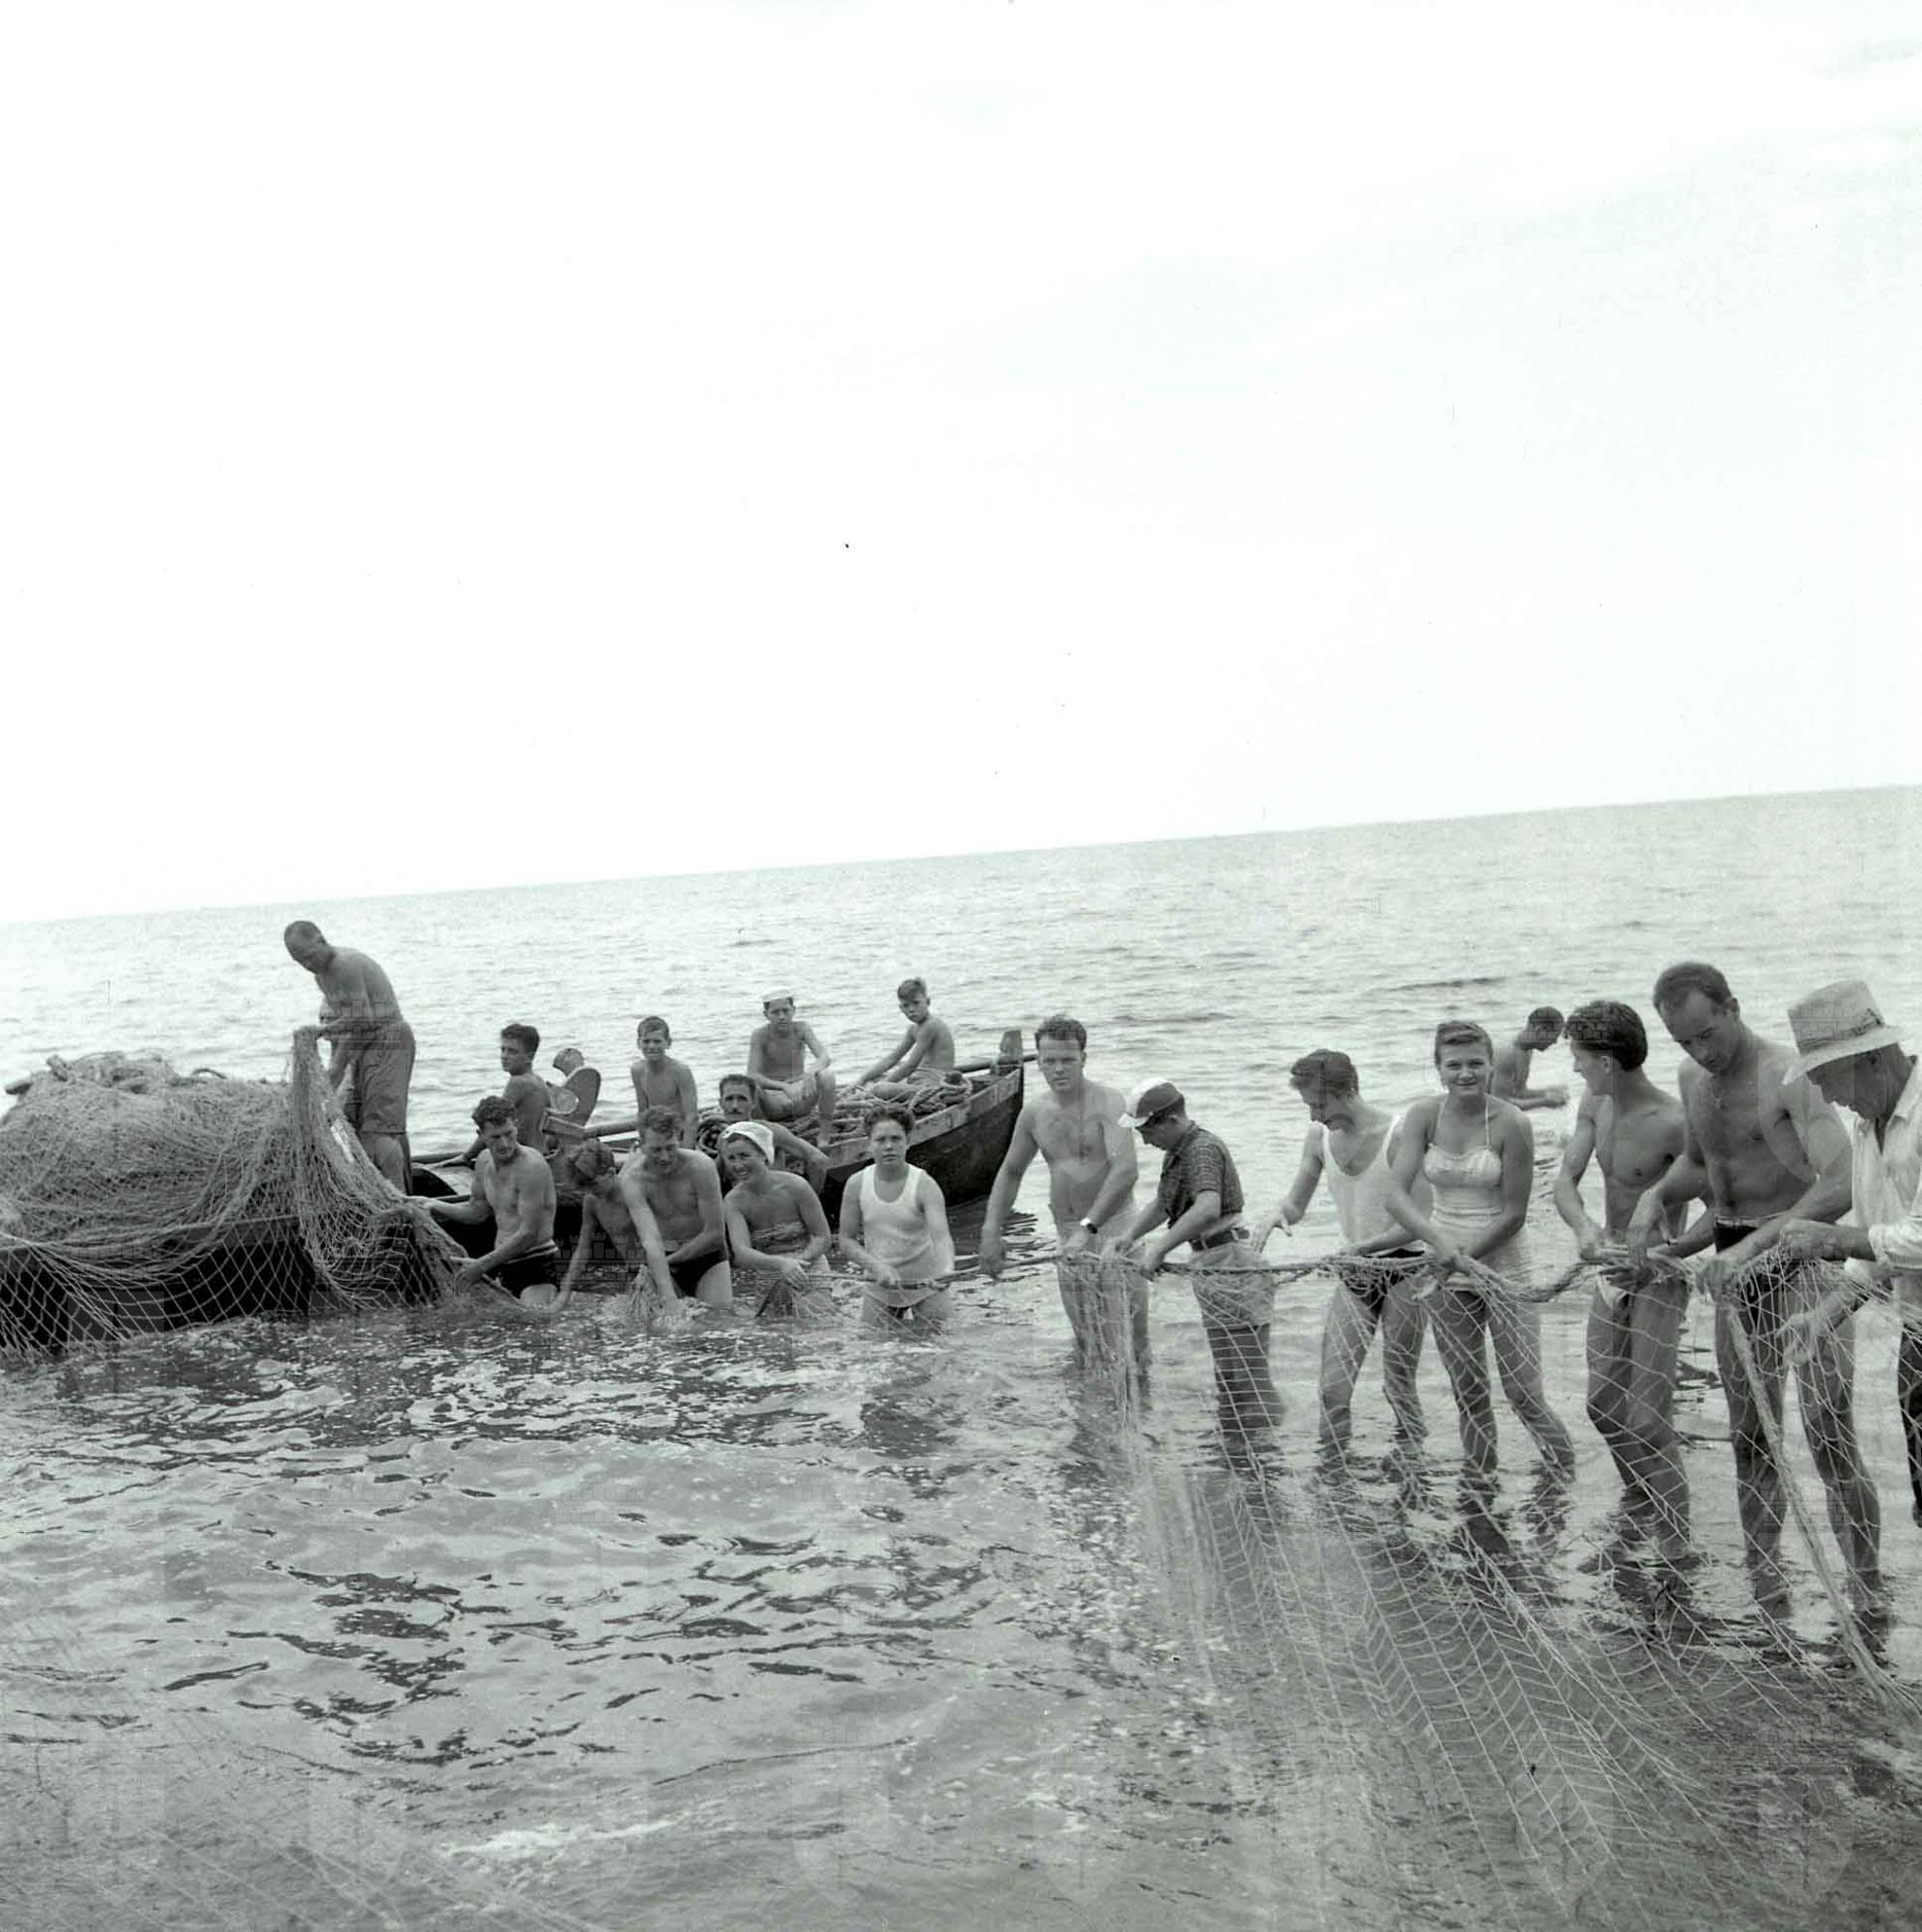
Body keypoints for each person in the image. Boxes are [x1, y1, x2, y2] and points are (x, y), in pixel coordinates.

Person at [1625, 960, 1875, 1614]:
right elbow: (1702, 1166)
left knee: (1828, 1431)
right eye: (1684, 1041)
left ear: (1732, 1007)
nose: (1700, 1052)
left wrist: (1759, 1246)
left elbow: (1843, 1182)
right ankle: (1767, 1582)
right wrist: (1656, 1198)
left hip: (1802, 1257)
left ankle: (1867, 1589)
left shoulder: (1788, 1075)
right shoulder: (1692, 1079)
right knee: (1751, 1436)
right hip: (1735, 1266)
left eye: (1707, 1034)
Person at [1383, 1020, 1576, 1477]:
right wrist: (1441, 1247)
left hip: (1504, 1267)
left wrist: (1461, 1257)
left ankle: (1563, 1476)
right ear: (1438, 1068)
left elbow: (1514, 1214)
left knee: (1523, 1392)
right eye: (1454, 1065)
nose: (1465, 1073)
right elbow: (1394, 1196)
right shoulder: (1423, 1116)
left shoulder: (1513, 1123)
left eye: (1475, 1063)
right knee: (1467, 1389)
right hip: (1445, 1269)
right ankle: (1480, 1481)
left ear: (1492, 1065)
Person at [1763, 981, 1922, 1536]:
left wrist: (1830, 1240)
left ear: (1871, 1059)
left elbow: (1917, 1240)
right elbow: (1880, 1248)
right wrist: (1823, 1316)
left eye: (1831, 1079)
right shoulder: (1867, 1125)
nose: (1830, 1098)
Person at [1551, 1000, 1691, 1562]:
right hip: (1609, 1267)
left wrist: (1666, 1254)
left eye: (1580, 1058)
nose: (1575, 1068)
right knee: (1603, 1406)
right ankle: (1641, 1497)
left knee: (1648, 1420)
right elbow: (1565, 1181)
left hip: (1659, 1274)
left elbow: (1719, 1209)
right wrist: (1584, 1227)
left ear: (1607, 1062)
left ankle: (1678, 1547)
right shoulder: (1595, 1104)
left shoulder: (1674, 1122)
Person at [1251, 1049, 1428, 1458]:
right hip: (1355, 1271)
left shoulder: (1398, 1134)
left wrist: (1362, 1248)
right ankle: (1333, 1476)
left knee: (1398, 1387)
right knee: (1333, 1390)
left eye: (1319, 1104)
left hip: (1407, 1267)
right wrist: (1277, 1214)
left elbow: (1417, 1223)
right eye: (1309, 1106)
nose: (1314, 1116)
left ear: (1348, 1090)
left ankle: (1412, 1470)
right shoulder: (1318, 1139)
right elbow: (1295, 1203)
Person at [978, 1015, 1145, 1369]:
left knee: (1128, 1345)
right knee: (1086, 1343)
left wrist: (1088, 1229)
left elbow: (1126, 1171)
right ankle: (1089, 1403)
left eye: (1068, 1059)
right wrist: (991, 1231)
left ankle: (1140, 1401)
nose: (1058, 1068)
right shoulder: (1034, 1113)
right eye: (1049, 1060)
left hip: (1114, 1230)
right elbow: (1010, 1172)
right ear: (1038, 1062)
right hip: (1067, 1234)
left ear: (1084, 1058)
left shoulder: (1110, 1103)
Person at [1117, 1082, 1277, 1426]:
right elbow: (1164, 1203)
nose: (1145, 1141)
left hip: (1232, 1261)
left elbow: (1207, 1208)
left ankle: (1264, 1446)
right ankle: (1237, 1442)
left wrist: (1159, 1249)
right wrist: (1128, 1236)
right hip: (1211, 1262)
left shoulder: (1202, 1148)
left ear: (1172, 1120)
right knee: (1228, 1375)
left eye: (1148, 1131)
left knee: (1248, 1376)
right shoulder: (1178, 1152)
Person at [283, 920, 413, 1190]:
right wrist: (337, 1068)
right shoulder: (321, 977)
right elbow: (352, 1027)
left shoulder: (345, 964)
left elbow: (363, 1017)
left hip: (389, 1040)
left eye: (309, 956)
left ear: (321, 939)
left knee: (380, 1128)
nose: (307, 965)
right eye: (299, 962)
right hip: (363, 1043)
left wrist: (322, 1031)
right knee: (357, 1123)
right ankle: (381, 1189)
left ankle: (400, 1200)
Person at [427, 1096, 561, 1309]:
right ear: (481, 1135)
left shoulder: (531, 1166)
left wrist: (481, 1266)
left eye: (509, 1133)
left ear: (516, 1125)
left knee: (533, 1322)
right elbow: (476, 1212)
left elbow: (528, 1234)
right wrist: (432, 1204)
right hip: (502, 1263)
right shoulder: (483, 1162)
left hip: (538, 1263)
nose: (504, 1143)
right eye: (496, 1137)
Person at [839, 1101, 957, 1330]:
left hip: (926, 1283)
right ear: (869, 1144)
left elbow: (941, 1238)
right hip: (879, 1282)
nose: (888, 1146)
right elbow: (846, 1240)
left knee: (939, 1343)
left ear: (908, 1142)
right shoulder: (856, 1184)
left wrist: (946, 1270)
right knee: (874, 1346)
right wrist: (876, 1267)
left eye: (896, 1139)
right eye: (880, 1140)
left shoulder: (925, 1185)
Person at [720, 1121, 835, 1317]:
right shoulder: (733, 1201)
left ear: (764, 1156)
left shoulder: (797, 1186)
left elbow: (822, 1237)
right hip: (769, 1274)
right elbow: (742, 1253)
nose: (737, 1165)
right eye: (731, 1158)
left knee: (813, 1322)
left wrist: (797, 1262)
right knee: (776, 1331)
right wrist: (781, 1264)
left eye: (744, 1156)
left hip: (809, 1267)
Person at [621, 1107, 733, 1306]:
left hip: (706, 1255)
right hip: (662, 1255)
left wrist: (670, 1261)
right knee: (668, 1320)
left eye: (670, 1147)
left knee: (719, 1316)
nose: (664, 1157)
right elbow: (650, 1239)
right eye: (656, 1150)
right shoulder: (633, 1180)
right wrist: (667, 1294)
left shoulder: (701, 1166)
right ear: (642, 1146)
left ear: (678, 1140)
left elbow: (715, 1233)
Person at [557, 1139, 676, 1313]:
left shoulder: (634, 1194)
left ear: (611, 1172)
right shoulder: (592, 1201)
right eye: (585, 1187)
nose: (590, 1191)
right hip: (633, 1271)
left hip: (662, 1267)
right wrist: (565, 1291)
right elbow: (583, 1249)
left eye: (593, 1184)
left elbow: (661, 1237)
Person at [747, 993, 839, 1150]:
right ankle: (765, 1139)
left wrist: (810, 1073)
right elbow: (752, 1075)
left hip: (800, 1094)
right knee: (751, 1088)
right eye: (775, 1012)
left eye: (785, 1011)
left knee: (827, 1076)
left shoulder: (801, 1028)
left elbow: (824, 1057)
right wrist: (783, 1087)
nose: (781, 1017)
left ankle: (824, 1136)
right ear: (766, 1015)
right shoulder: (760, 1035)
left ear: (793, 1010)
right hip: (774, 1100)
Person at [716, 1074, 830, 1192]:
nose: (735, 1106)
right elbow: (717, 1174)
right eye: (729, 1099)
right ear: (721, 1103)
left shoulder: (770, 1132)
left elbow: (818, 1159)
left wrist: (810, 1197)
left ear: (753, 1103)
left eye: (742, 1099)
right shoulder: (723, 1137)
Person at [464, 1025, 553, 1161]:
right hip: (541, 1153)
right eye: (503, 1050)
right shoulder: (538, 1080)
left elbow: (492, 1124)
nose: (504, 1056)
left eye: (512, 1052)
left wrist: (466, 1156)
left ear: (529, 1057)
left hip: (525, 1158)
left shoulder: (518, 1083)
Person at [857, 979, 958, 1098]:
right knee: (872, 1079)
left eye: (916, 1003)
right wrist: (861, 1079)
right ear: (901, 1008)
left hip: (932, 1087)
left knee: (879, 1089)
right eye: (906, 1005)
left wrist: (878, 1087)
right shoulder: (913, 1029)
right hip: (917, 1082)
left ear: (927, 1002)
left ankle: (862, 1096)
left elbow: (910, 1065)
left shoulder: (931, 1025)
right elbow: (891, 1059)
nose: (911, 1009)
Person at [1491, 1007, 1569, 1110]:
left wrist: (1547, 1092)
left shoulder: (1526, 1050)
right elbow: (1499, 1104)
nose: (1555, 1042)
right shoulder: (1506, 1053)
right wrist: (1544, 1102)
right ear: (1540, 1031)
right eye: (1554, 1036)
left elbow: (1519, 1093)